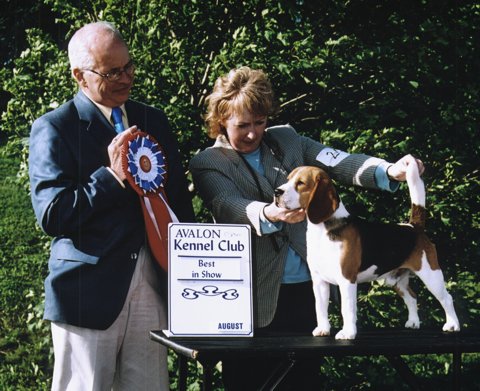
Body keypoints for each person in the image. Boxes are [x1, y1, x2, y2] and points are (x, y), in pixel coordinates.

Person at [189, 66, 424, 390]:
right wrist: (269, 214)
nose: (254, 133)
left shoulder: (288, 140)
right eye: (243, 125)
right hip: (251, 302)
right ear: (220, 121)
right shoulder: (208, 161)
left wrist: (389, 170)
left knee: (303, 383)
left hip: (308, 295)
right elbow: (226, 204)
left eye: (260, 122)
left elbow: (339, 161)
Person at [28, 21, 195, 390]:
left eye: (129, 67)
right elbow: (53, 214)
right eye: (112, 72)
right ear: (79, 76)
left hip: (154, 286)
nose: (125, 78)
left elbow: (178, 204)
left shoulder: (154, 119)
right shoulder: (54, 127)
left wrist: (191, 274)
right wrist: (111, 176)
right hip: (87, 293)